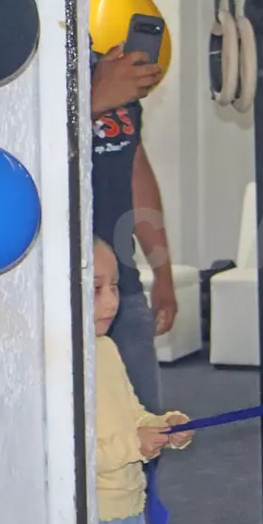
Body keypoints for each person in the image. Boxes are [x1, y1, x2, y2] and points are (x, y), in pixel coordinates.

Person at [94, 237, 193, 524]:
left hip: (130, 507)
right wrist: (134, 444)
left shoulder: (106, 350)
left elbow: (131, 412)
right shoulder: (61, 370)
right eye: (96, 289)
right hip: (98, 515)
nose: (110, 302)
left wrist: (164, 425)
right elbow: (72, 457)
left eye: (115, 287)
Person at [90, 43, 176, 415]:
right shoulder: (29, 70)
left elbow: (135, 172)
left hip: (121, 286)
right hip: (56, 294)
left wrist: (163, 273)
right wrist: (94, 100)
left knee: (145, 427)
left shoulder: (112, 71)